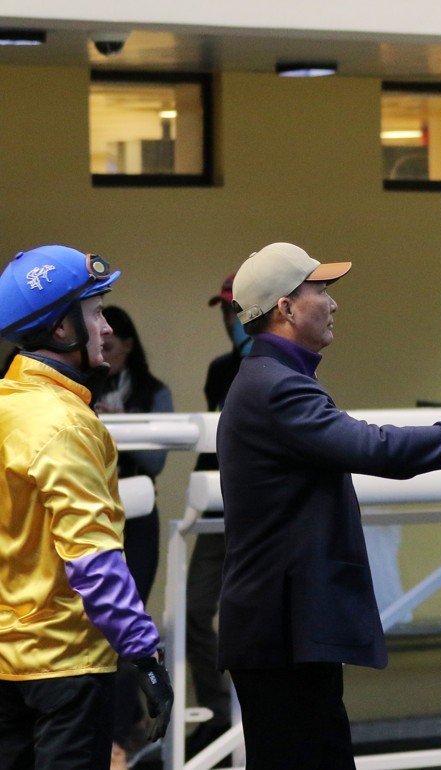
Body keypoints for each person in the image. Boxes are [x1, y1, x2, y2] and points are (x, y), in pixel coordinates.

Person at [217, 242, 441, 770]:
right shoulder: (276, 388)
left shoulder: (272, 380)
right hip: (283, 634)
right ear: (286, 308)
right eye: (320, 289)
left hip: (283, 631)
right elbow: (380, 450)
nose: (333, 302)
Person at [0, 245, 173, 769]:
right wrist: (144, 654)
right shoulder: (66, 424)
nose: (107, 329)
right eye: (95, 312)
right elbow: (93, 560)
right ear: (61, 328)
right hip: (66, 672)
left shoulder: (8, 405)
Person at [93, 305, 175, 765]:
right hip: (97, 514)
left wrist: (119, 424)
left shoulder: (152, 391)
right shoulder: (81, 387)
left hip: (138, 517)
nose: (102, 348)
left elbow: (160, 460)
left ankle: (123, 739)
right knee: (95, 628)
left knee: (127, 623)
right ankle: (111, 733)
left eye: (110, 343)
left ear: (127, 344)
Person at [184, 274, 247, 756]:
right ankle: (218, 712)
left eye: (236, 310)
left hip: (258, 510)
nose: (230, 320)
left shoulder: (289, 368)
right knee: (193, 611)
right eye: (225, 312)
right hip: (215, 503)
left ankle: (249, 724)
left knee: (254, 616)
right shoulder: (218, 370)